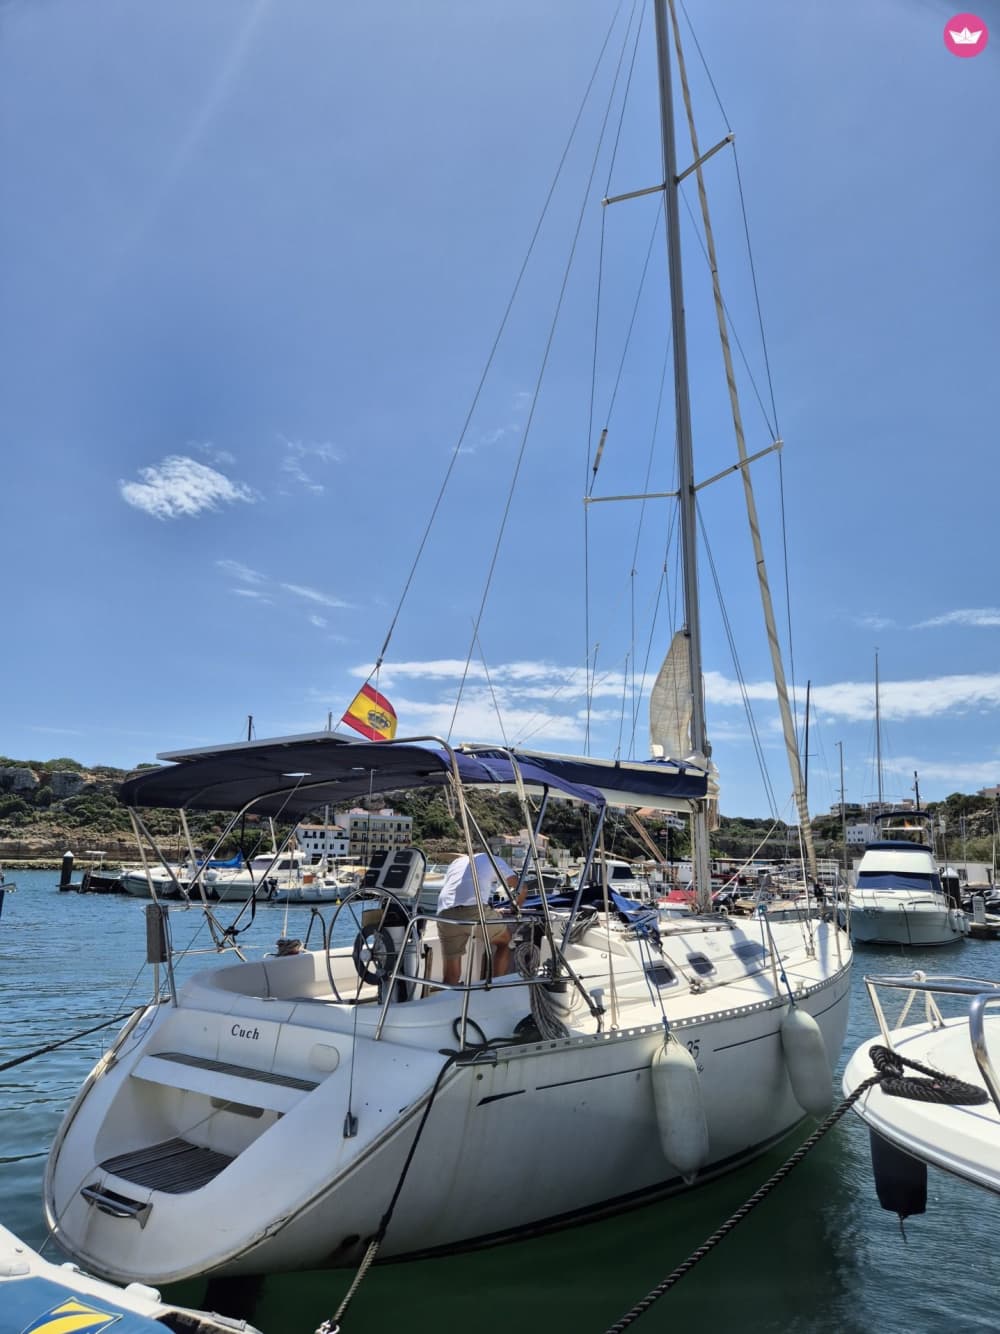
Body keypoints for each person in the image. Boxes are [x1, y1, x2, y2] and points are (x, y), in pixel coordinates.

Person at [436, 851, 525, 985]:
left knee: (451, 975)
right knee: (504, 941)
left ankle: (448, 998)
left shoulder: (456, 863)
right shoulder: (493, 859)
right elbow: (521, 888)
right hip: (474, 911)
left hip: (445, 913)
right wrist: (514, 909)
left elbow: (461, 890)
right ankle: (495, 986)